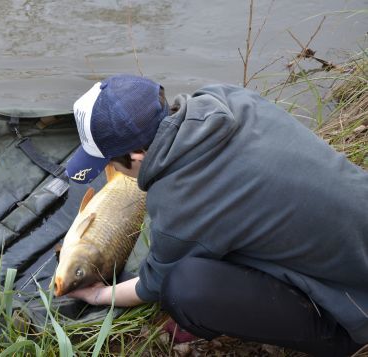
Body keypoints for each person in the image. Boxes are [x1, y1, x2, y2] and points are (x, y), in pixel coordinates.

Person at [64, 74, 368, 356]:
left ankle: (342, 339)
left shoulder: (179, 202)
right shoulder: (226, 97)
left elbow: (153, 284)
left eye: (113, 163)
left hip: (359, 308)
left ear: (137, 157)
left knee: (185, 288)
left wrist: (99, 295)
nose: (115, 170)